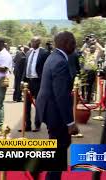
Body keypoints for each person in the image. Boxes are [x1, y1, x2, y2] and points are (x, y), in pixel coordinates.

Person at [36, 31, 79, 180]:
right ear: (66, 43)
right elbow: (61, 95)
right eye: (73, 42)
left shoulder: (53, 56)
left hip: (48, 107)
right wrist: (70, 122)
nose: (75, 44)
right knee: (60, 145)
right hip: (54, 110)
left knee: (58, 142)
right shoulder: (60, 62)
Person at [21, 36, 50, 132]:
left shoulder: (44, 53)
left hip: (39, 82)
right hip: (28, 82)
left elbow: (47, 68)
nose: (31, 43)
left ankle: (37, 125)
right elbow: (25, 67)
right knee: (26, 105)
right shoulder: (28, 52)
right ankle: (27, 125)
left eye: (33, 41)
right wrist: (22, 80)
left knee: (39, 104)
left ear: (38, 42)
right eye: (31, 41)